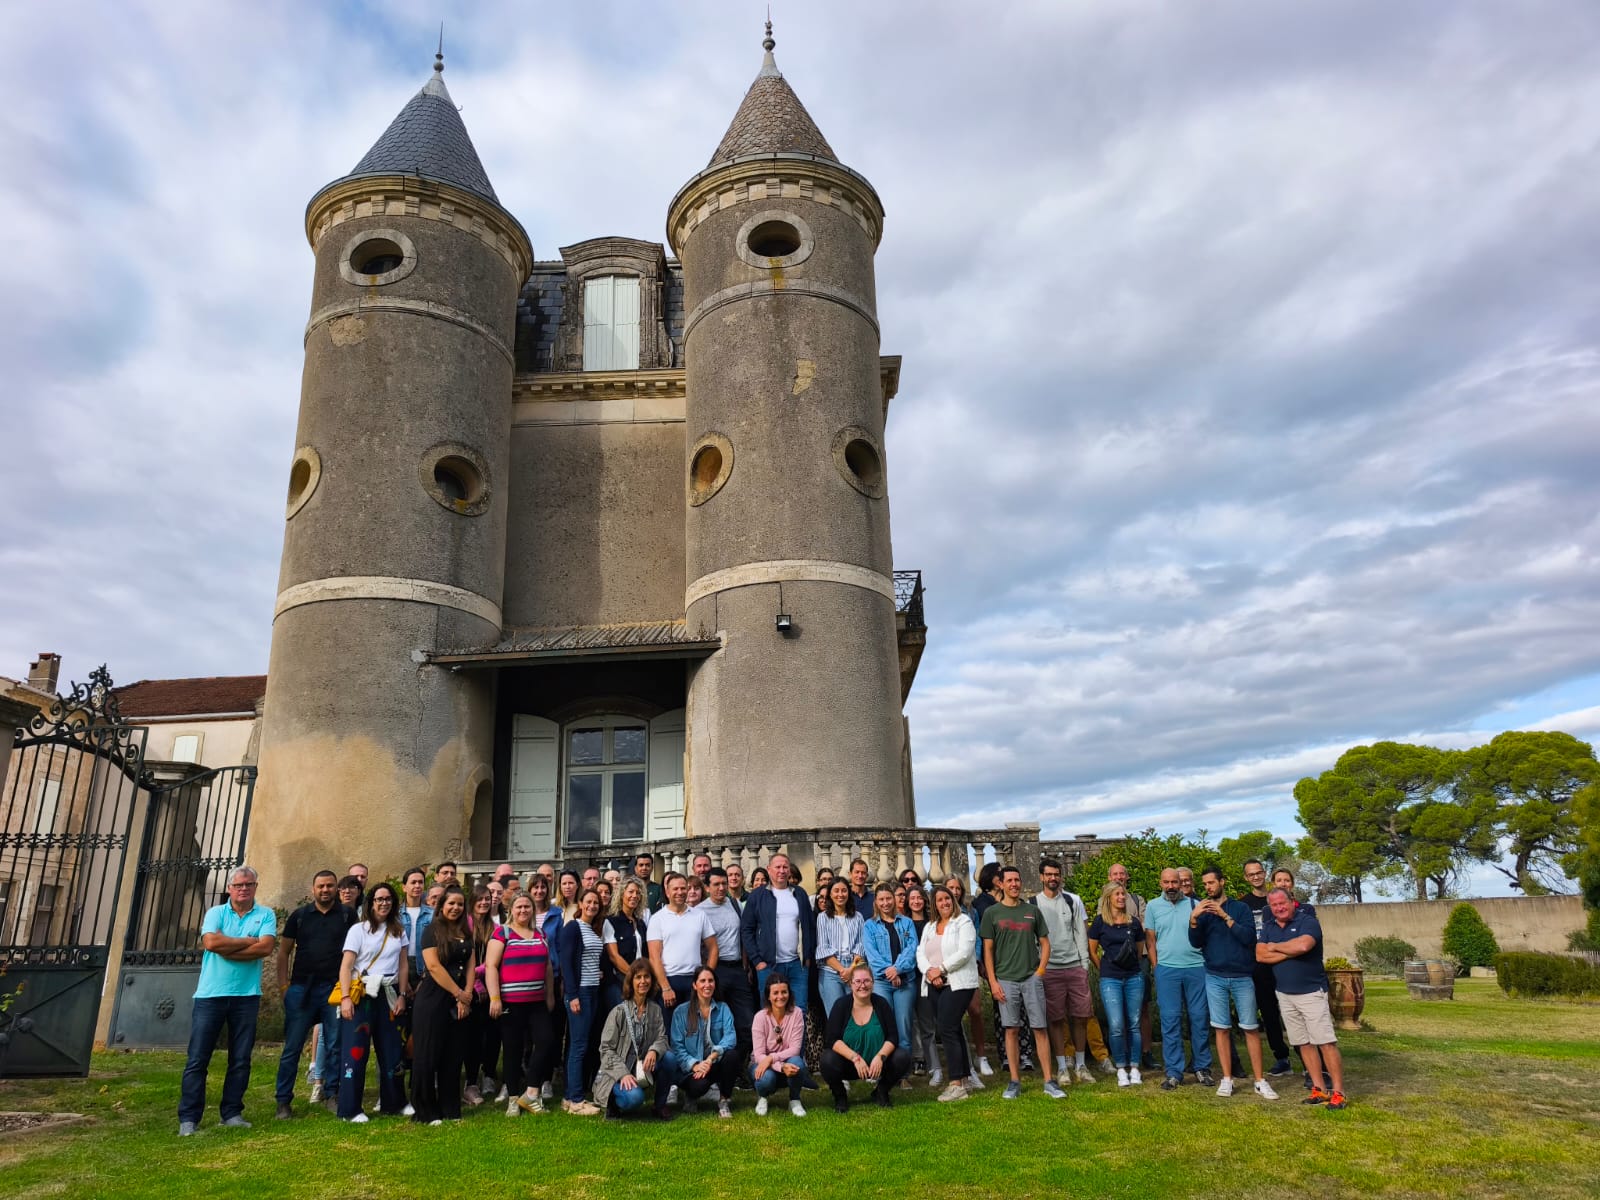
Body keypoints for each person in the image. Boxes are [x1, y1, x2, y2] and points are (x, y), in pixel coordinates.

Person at [177, 865, 276, 1136]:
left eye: (248, 884)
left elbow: (266, 947)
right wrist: (248, 941)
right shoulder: (215, 913)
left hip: (246, 996)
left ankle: (232, 1113)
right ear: (230, 888)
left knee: (240, 1059)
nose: (243, 889)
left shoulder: (265, 914)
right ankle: (189, 1118)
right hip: (211, 995)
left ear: (255, 887)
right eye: (238, 885)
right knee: (198, 1058)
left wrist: (228, 946)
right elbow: (211, 944)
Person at [1189, 866, 1277, 1101]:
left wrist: (1224, 916)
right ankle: (1227, 1079)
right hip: (1215, 976)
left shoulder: (1240, 908)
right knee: (1221, 1028)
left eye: (1211, 882)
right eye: (1205, 884)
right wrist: (1194, 919)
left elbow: (1248, 938)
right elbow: (1195, 942)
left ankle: (1259, 1080)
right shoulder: (1203, 911)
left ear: (1222, 882)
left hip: (1241, 976)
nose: (1208, 887)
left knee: (1250, 1028)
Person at [274, 869, 357, 1118]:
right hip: (301, 989)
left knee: (334, 1045)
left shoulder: (347, 915)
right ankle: (283, 1101)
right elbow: (283, 953)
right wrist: (284, 987)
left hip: (333, 989)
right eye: (321, 886)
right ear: (313, 889)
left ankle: (332, 1094)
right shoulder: (299, 916)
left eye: (330, 886)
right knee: (292, 1047)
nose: (325, 890)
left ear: (336, 889)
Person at [1257, 888, 1347, 1110]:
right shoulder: (1268, 927)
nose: (1279, 908)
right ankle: (1319, 1089)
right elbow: (1260, 955)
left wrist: (1275, 947)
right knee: (1303, 1043)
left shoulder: (1308, 922)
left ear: (1292, 901)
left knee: (1325, 1042)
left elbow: (1304, 945)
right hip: (1284, 993)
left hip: (1311, 992)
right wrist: (1289, 950)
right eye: (1274, 905)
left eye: (1282, 903)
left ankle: (1338, 1092)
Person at [980, 865, 1064, 1099]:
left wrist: (1040, 971)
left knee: (1040, 1028)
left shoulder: (1032, 911)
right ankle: (1014, 1081)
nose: (1014, 884)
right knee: (1011, 1030)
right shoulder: (992, 913)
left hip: (1030, 978)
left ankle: (1049, 1081)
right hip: (1006, 979)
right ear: (1001, 884)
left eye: (1017, 880)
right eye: (1009, 880)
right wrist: (993, 982)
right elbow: (988, 951)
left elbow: (1045, 943)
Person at [334, 881, 409, 1122]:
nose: (384, 903)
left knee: (392, 1050)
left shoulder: (398, 930)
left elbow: (403, 964)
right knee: (355, 1052)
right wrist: (346, 998)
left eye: (388, 899)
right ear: (371, 902)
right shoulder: (358, 930)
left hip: (389, 993)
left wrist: (402, 995)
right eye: (379, 899)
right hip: (362, 994)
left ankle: (394, 1102)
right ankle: (350, 1109)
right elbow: (346, 966)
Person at [487, 893, 556, 1117]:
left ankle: (532, 1092)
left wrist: (550, 995)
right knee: (512, 1051)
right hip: (510, 1002)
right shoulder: (502, 933)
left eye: (527, 906)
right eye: (519, 907)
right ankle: (513, 1099)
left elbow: (547, 967)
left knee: (546, 1042)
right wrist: (495, 998)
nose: (523, 910)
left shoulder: (540, 934)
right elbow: (491, 966)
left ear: (533, 909)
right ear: (511, 910)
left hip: (536, 1001)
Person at [411, 884, 475, 1124]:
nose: (456, 908)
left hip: (460, 999)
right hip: (433, 999)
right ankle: (425, 1110)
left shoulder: (466, 932)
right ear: (442, 905)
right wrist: (459, 993)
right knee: (428, 1054)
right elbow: (433, 966)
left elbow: (471, 965)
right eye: (451, 903)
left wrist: (467, 995)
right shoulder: (431, 931)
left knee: (453, 1054)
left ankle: (450, 1108)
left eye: (460, 904)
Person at [1146, 867, 1213, 1090]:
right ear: (1161, 883)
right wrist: (1156, 967)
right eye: (1166, 882)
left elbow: (1206, 936)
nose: (1171, 886)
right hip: (1167, 970)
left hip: (1196, 968)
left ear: (1181, 883)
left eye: (1174, 882)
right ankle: (1174, 1072)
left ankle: (1202, 1067)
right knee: (1170, 1020)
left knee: (1199, 1018)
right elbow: (1150, 940)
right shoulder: (1153, 906)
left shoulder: (1196, 905)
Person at [1033, 857, 1097, 1085]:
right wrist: (1039, 968)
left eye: (1056, 874)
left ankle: (1080, 1064)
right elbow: (1033, 938)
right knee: (1056, 1019)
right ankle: (1062, 1067)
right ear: (1041, 877)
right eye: (1049, 874)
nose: (1053, 878)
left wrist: (1084, 965)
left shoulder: (1072, 900)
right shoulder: (1034, 903)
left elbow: (1080, 932)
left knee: (1081, 1016)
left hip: (1074, 966)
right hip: (1049, 968)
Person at [919, 884, 980, 1102]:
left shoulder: (963, 922)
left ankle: (956, 1084)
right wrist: (930, 972)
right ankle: (964, 1079)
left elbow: (965, 952)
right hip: (934, 983)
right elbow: (920, 952)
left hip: (958, 983)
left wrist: (941, 969)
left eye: (947, 899)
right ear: (934, 904)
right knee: (951, 1029)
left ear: (953, 901)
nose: (944, 903)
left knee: (947, 1028)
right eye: (939, 900)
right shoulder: (930, 926)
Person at [821, 963, 910, 1111]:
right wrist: (855, 1058)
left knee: (903, 1056)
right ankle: (840, 1096)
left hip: (877, 1064)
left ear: (873, 983)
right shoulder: (841, 1005)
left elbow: (893, 1037)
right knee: (827, 1060)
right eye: (858, 981)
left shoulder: (881, 1004)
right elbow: (832, 1039)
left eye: (867, 981)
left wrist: (880, 1057)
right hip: (850, 1064)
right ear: (851, 984)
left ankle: (881, 1091)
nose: (862, 985)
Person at [1239, 859, 1295, 1077]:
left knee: (1293, 1012)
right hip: (1259, 965)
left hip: (1284, 962)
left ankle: (1308, 1057)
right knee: (1269, 1013)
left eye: (1259, 872)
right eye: (1251, 874)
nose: (1256, 877)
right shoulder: (1243, 904)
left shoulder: (1279, 899)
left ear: (1264, 873)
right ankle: (1281, 1057)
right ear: (1246, 878)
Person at [740, 852, 815, 1012]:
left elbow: (810, 926)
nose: (781, 871)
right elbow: (746, 929)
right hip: (768, 966)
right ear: (769, 869)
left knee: (799, 1011)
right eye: (778, 867)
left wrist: (808, 956)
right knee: (770, 1012)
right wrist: (757, 961)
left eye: (785, 867)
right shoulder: (757, 896)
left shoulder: (799, 894)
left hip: (797, 965)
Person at [595, 960, 669, 1119]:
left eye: (647, 977)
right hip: (617, 1073)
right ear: (631, 982)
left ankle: (659, 1106)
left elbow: (662, 1037)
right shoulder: (618, 1012)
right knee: (635, 1098)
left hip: (641, 1068)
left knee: (670, 1058)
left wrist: (654, 1050)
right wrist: (622, 1074)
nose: (643, 981)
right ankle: (613, 1102)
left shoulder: (655, 1010)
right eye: (638, 977)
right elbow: (605, 1049)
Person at [1088, 883, 1146, 1086]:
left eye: (1123, 894)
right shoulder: (1100, 922)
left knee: (1134, 1023)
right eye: (1117, 894)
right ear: (1108, 898)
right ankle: (1121, 1067)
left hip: (1133, 977)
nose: (1121, 897)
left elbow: (1139, 950)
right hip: (1110, 978)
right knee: (1116, 1025)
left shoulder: (1134, 922)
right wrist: (1103, 968)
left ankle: (1135, 1066)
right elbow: (1092, 950)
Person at [698, 866, 753, 1082]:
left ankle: (737, 1068)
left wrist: (746, 966)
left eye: (724, 883)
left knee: (747, 1023)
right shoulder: (700, 911)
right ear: (707, 887)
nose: (721, 888)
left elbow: (742, 936)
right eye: (716, 884)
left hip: (738, 969)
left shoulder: (734, 904)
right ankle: (716, 1073)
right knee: (717, 1025)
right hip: (716, 970)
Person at [664, 965, 740, 1118]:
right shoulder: (681, 1012)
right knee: (699, 1086)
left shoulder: (723, 1009)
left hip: (713, 1063)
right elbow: (677, 1047)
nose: (707, 985)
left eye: (711, 981)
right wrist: (695, 1065)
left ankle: (724, 1100)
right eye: (703, 981)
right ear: (694, 985)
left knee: (732, 1056)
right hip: (691, 1069)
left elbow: (731, 1038)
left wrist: (711, 1058)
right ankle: (690, 1096)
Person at [558, 888, 608, 1115]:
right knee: (578, 1045)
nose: (592, 906)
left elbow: (588, 959)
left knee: (579, 1044)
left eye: (596, 903)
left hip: (593, 989)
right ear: (580, 903)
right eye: (588, 901)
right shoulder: (573, 927)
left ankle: (570, 1096)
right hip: (580, 993)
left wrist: (597, 972)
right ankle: (576, 1101)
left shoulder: (593, 929)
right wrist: (573, 995)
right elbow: (566, 963)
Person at [863, 881, 918, 1082]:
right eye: (881, 900)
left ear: (894, 900)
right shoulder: (869, 926)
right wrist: (890, 973)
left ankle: (903, 1074)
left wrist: (898, 970)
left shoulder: (906, 923)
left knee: (903, 1027)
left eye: (888, 899)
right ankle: (881, 1072)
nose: (885, 903)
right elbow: (872, 956)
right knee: (883, 1026)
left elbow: (912, 950)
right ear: (876, 902)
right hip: (881, 982)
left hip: (905, 981)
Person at [945, 873, 993, 1077]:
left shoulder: (970, 912)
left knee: (975, 1011)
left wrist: (979, 959)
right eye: (951, 888)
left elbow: (978, 938)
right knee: (953, 1016)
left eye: (958, 888)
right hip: (948, 968)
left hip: (969, 965)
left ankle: (982, 1057)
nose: (955, 892)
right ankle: (962, 1058)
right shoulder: (939, 912)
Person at [648, 872, 717, 1008]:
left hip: (695, 979)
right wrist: (665, 987)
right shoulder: (657, 918)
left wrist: (706, 977)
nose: (680, 892)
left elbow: (713, 948)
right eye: (675, 889)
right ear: (667, 892)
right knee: (669, 1021)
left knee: (695, 1020)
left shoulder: (699, 915)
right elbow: (654, 957)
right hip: (669, 979)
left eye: (683, 888)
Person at [1108, 861, 1153, 1068]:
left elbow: (1143, 926)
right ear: (1110, 878)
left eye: (1122, 874)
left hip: (1138, 958)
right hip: (1115, 961)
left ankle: (1146, 1051)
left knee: (1142, 1007)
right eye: (1115, 874)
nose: (1119, 877)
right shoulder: (1104, 901)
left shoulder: (1137, 899)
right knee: (1117, 1009)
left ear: (1127, 877)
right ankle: (1123, 1051)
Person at [749, 973, 811, 1116]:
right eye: (775, 993)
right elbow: (759, 1055)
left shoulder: (797, 1013)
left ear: (789, 993)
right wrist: (781, 1066)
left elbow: (795, 1049)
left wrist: (771, 1058)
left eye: (784, 992)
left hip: (785, 1062)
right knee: (766, 1079)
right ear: (768, 996)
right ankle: (762, 1097)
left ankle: (794, 1100)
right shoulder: (760, 1017)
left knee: (797, 1063)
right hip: (761, 1066)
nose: (780, 996)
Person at [462, 886, 499, 1105]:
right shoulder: (464, 926)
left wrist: (483, 970)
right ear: (472, 901)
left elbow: (496, 958)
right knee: (472, 1036)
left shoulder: (494, 927)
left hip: (491, 985)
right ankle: (471, 1081)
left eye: (487, 899)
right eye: (480, 899)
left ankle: (490, 1074)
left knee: (492, 1033)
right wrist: (475, 978)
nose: (484, 903)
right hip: (469, 987)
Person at [903, 882, 940, 1080]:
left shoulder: (932, 923)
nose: (916, 901)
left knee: (927, 1024)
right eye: (912, 898)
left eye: (919, 898)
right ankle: (914, 1060)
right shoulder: (903, 923)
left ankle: (933, 1065)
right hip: (909, 977)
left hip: (928, 977)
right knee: (909, 1022)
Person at [816, 878, 865, 1017]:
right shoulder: (822, 917)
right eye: (836, 891)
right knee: (836, 1016)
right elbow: (823, 948)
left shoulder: (858, 917)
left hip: (854, 969)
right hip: (831, 971)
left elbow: (861, 946)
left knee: (856, 1015)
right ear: (830, 895)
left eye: (844, 891)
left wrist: (851, 970)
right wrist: (843, 971)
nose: (840, 894)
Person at [604, 878, 651, 1012]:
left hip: (640, 983)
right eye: (631, 892)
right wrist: (634, 976)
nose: (634, 896)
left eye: (638, 893)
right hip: (619, 981)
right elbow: (614, 956)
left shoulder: (641, 923)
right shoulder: (611, 921)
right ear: (622, 894)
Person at [398, 867, 432, 993]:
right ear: (404, 887)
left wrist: (426, 975)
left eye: (420, 882)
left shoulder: (432, 914)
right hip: (401, 964)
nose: (417, 885)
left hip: (425, 965)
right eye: (413, 882)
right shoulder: (396, 914)